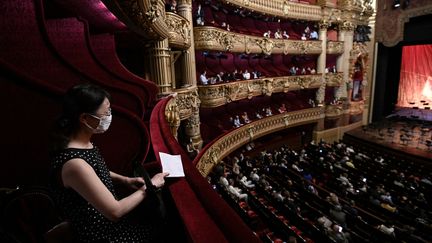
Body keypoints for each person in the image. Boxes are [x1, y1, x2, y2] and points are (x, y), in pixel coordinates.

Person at [49, 84, 169, 242]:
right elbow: (115, 212)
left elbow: (94, 171)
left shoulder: (84, 143)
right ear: (84, 118)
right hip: (101, 233)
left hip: (107, 221)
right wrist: (150, 186)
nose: (109, 117)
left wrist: (125, 180)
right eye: (105, 113)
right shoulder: (74, 164)